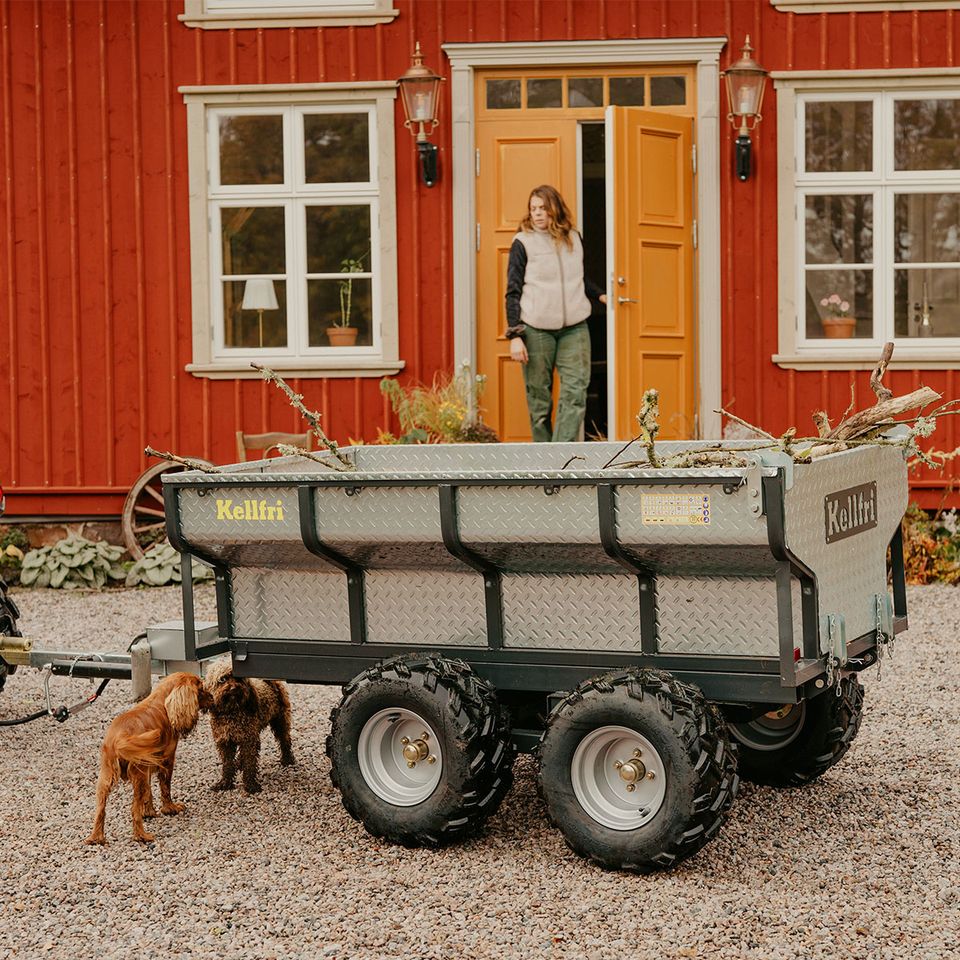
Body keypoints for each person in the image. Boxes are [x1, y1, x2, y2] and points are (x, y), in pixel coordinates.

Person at [504, 184, 606, 443]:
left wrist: (601, 295)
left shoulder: (573, 238)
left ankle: (561, 457)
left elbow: (580, 278)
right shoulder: (522, 242)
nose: (537, 214)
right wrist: (515, 334)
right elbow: (512, 291)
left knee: (575, 391)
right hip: (536, 328)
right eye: (533, 209)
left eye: (543, 208)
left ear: (555, 209)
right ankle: (544, 459)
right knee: (539, 399)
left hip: (575, 327)